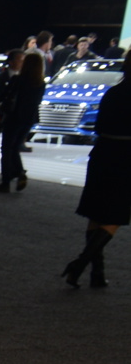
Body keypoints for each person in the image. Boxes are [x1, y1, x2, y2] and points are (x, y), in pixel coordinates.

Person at [62, 78, 129, 287]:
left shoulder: (112, 92)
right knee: (116, 214)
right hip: (125, 156)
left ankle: (97, 272)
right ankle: (80, 264)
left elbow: (98, 126)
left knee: (96, 212)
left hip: (102, 152)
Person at [0, 50, 44, 193]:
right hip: (29, 119)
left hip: (14, 117)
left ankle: (7, 180)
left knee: (6, 148)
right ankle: (18, 172)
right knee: (16, 146)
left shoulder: (18, 80)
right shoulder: (40, 84)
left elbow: (6, 96)